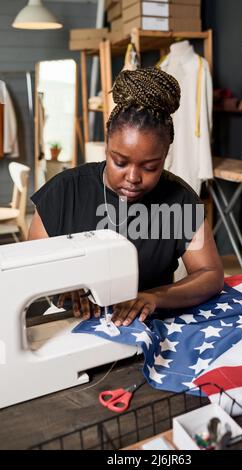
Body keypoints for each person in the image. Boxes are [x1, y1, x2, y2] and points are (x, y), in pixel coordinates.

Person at [28, 67, 223, 327]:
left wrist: (153, 297)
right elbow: (31, 266)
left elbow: (209, 274)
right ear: (107, 145)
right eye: (120, 162)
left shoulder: (180, 200)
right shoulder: (65, 191)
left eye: (150, 167)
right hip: (70, 325)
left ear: (165, 157)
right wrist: (63, 287)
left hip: (147, 324)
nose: (133, 177)